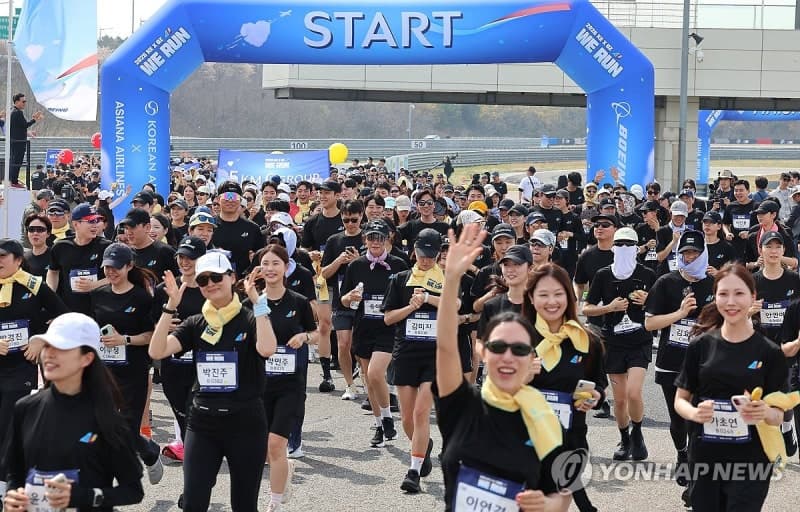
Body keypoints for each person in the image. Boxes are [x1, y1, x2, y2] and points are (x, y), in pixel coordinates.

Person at [435, 222, 571, 512]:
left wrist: (546, 505)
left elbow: (562, 494)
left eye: (519, 349)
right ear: (483, 351)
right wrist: (450, 280)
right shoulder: (461, 405)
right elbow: (445, 345)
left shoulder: (545, 420)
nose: (508, 356)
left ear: (531, 358)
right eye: (498, 347)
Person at [149, 251, 277, 511]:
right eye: (204, 280)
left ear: (231, 278)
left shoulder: (250, 318)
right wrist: (170, 306)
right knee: (193, 503)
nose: (210, 284)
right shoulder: (197, 323)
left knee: (243, 504)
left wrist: (258, 303)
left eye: (216, 277)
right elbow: (157, 351)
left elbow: (267, 349)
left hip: (245, 423)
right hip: (203, 423)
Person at [675, 264, 793, 511]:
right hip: (705, 455)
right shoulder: (700, 346)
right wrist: (695, 413)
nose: (731, 302)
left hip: (751, 459)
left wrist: (764, 412)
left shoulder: (769, 352)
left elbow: (780, 415)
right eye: (723, 294)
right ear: (715, 296)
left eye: (739, 294)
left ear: (752, 297)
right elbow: (680, 400)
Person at [2, 313, 144, 510]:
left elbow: (133, 490)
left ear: (86, 358)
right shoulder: (25, 408)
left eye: (60, 348)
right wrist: (13, 497)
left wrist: (84, 496)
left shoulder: (107, 417)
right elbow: (15, 473)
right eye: (47, 346)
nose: (49, 354)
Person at [524, 263, 606, 512]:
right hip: (523, 442)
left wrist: (594, 396)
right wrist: (519, 379)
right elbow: (491, 392)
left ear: (570, 297)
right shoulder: (518, 337)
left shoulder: (585, 340)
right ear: (531, 297)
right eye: (544, 294)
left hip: (570, 440)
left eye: (559, 294)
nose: (552, 302)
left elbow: (599, 384)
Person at [644, 230, 715, 489]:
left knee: (698, 417)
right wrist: (680, 313)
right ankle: (682, 453)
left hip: (705, 364)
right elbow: (650, 324)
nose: (690, 257)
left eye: (695, 252)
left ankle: (696, 468)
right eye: (685, 253)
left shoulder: (713, 283)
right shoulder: (666, 282)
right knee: (678, 419)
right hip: (671, 361)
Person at [90, 243, 163, 484]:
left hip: (134, 371)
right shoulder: (98, 294)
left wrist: (125, 340)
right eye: (107, 268)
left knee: (127, 431)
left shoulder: (141, 298)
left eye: (116, 268)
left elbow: (152, 335)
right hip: (104, 372)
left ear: (129, 266)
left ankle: (149, 453)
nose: (110, 272)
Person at [254, 245, 318, 511]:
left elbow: (316, 334)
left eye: (275, 263)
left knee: (276, 443)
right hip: (259, 383)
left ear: (286, 267)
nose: (270, 268)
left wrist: (304, 337)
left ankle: (275, 502)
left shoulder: (298, 302)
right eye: (265, 263)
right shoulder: (253, 302)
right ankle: (283, 474)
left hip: (290, 384)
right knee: (263, 448)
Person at [383, 228, 447, 493]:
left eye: (431, 256)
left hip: (434, 355)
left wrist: (429, 298)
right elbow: (387, 318)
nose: (426, 260)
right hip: (406, 353)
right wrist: (411, 306)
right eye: (422, 255)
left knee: (422, 413)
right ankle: (423, 448)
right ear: (415, 252)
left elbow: (454, 307)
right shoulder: (400, 280)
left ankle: (413, 471)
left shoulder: (445, 279)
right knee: (408, 417)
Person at [583, 227, 656, 460]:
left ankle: (638, 433)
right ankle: (625, 439)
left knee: (634, 393)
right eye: (620, 245)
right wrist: (609, 307)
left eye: (629, 245)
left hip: (639, 340)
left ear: (637, 248)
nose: (624, 249)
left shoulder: (647, 273)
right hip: (613, 341)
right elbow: (587, 307)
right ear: (613, 247)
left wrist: (648, 301)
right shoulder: (603, 275)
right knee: (621, 398)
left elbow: (661, 307)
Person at [340, 220, 406, 447]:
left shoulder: (398, 264)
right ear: (365, 240)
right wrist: (350, 298)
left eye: (380, 238)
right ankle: (380, 424)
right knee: (369, 379)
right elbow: (343, 299)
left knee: (377, 373)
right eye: (371, 238)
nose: (375, 242)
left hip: (388, 328)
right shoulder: (355, 266)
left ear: (388, 238)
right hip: (364, 327)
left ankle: (387, 417)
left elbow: (405, 295)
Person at [151, 237, 207, 464]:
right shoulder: (165, 289)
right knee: (181, 413)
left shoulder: (210, 287)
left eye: (191, 257)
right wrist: (163, 324)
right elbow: (150, 324)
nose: (185, 262)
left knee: (197, 413)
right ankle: (192, 450)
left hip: (203, 363)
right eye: (181, 257)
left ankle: (198, 458)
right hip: (172, 364)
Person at [301, 180, 344, 392]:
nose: (323, 196)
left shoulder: (345, 219)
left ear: (337, 195)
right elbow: (303, 249)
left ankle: (351, 366)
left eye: (327, 193)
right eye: (320, 193)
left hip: (347, 279)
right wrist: (310, 255)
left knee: (349, 328)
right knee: (325, 325)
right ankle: (327, 375)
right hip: (322, 279)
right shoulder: (312, 222)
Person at [321, 199, 365, 400]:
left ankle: (367, 381)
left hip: (365, 302)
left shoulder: (368, 238)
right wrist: (339, 260)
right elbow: (324, 273)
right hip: (341, 301)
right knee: (343, 344)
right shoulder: (334, 241)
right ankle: (350, 384)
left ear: (361, 216)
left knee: (362, 345)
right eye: (346, 220)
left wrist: (358, 261)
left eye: (354, 220)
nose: (350, 224)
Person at [46, 204, 111, 316]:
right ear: (76, 224)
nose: (95, 225)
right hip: (69, 312)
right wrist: (51, 295)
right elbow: (53, 271)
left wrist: (94, 285)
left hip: (99, 311)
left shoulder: (106, 247)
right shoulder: (60, 247)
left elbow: (119, 277)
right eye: (90, 221)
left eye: (96, 220)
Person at [8, 93, 43, 188]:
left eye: (25, 101)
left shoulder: (13, 111)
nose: (24, 103)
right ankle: (14, 182)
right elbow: (24, 125)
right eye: (23, 101)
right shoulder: (17, 112)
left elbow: (19, 128)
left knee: (15, 161)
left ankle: (13, 180)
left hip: (15, 141)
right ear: (17, 101)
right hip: (18, 142)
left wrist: (28, 133)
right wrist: (34, 119)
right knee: (17, 162)